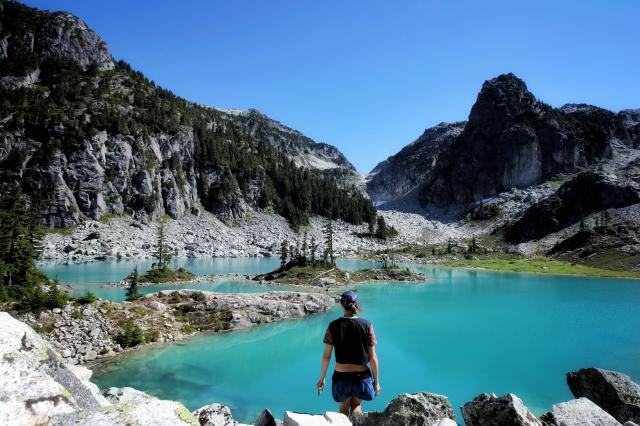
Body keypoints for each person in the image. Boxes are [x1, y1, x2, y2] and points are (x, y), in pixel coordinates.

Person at [316, 290, 380, 417]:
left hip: (341, 377)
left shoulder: (333, 326)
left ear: (341, 305)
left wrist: (322, 379)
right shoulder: (367, 325)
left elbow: (326, 356)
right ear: (356, 304)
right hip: (361, 377)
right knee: (357, 405)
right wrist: (376, 382)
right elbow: (372, 358)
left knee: (343, 409)